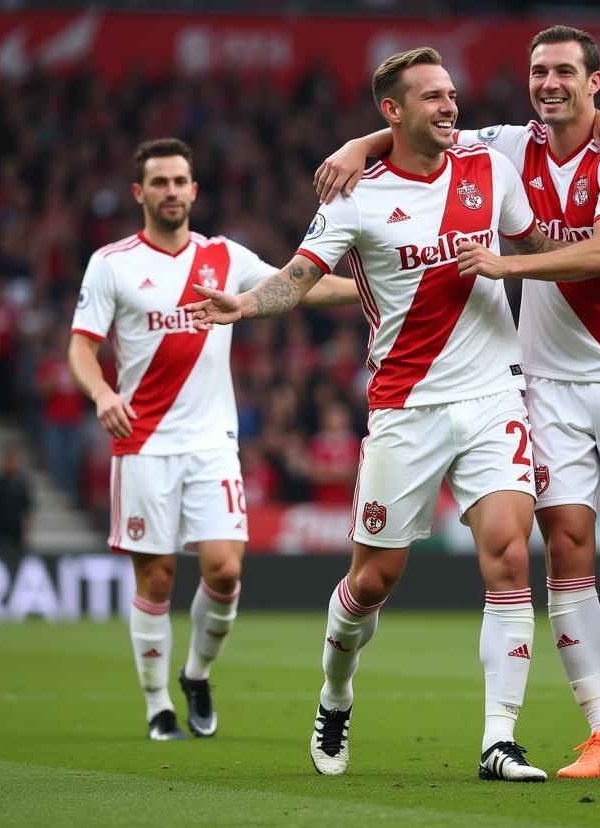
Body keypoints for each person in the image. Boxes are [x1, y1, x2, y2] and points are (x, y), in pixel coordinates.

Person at [188, 47, 567, 782]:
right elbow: (299, 278)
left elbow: (537, 242)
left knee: (513, 555)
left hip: (494, 394)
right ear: (392, 111)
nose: (449, 107)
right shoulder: (356, 196)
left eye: (451, 93)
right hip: (406, 406)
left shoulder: (488, 168)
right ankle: (335, 694)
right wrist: (244, 304)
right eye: (431, 97)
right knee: (372, 582)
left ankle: (499, 740)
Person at [317, 25, 600, 779]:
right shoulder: (503, 146)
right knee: (553, 554)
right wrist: (359, 147)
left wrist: (508, 261)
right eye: (539, 71)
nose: (549, 84)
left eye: (564, 73)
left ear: (595, 81)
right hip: (540, 381)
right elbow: (417, 125)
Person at [69, 137, 358, 742]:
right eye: (160, 182)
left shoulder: (224, 255)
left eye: (180, 181)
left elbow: (294, 284)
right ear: (139, 192)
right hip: (143, 442)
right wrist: (101, 394)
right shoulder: (113, 263)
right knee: (155, 581)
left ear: (194, 190)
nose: (171, 191)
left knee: (225, 571)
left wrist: (375, 283)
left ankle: (196, 673)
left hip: (211, 443)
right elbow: (81, 347)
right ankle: (157, 708)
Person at [0, 446, 33, 553]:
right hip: (0, 529)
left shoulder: (22, 482)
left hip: (16, 529)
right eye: (9, 460)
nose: (11, 464)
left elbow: (28, 508)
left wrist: (27, 532)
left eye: (14, 461)